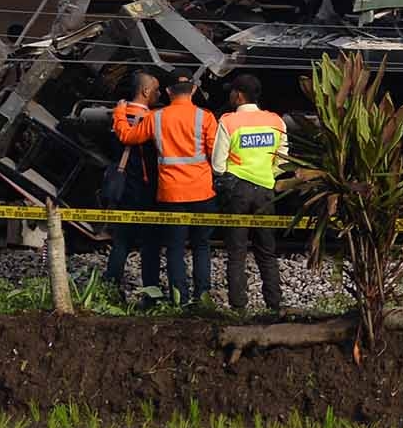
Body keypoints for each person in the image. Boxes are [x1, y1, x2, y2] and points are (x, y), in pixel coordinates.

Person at [111, 67, 223, 303]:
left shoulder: (156, 117)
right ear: (193, 90)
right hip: (203, 192)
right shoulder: (206, 117)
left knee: (175, 248)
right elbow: (217, 155)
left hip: (172, 194)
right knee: (202, 246)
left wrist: (120, 113)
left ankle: (179, 298)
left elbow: (128, 137)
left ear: (169, 91)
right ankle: (202, 297)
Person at [214, 72, 287, 314]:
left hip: (238, 192)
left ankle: (239, 307)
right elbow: (283, 159)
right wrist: (269, 175)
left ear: (238, 95)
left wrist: (233, 176)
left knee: (237, 252)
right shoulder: (276, 121)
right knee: (267, 251)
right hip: (266, 190)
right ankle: (274, 305)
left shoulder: (228, 122)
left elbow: (217, 164)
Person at [95, 69, 163, 299]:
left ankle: (111, 288)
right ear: (145, 91)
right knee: (150, 244)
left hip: (122, 188)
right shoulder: (151, 120)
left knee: (121, 241)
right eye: (156, 89)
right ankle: (151, 295)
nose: (159, 93)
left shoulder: (117, 117)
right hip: (144, 190)